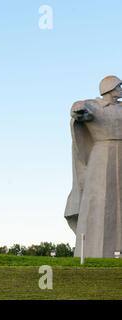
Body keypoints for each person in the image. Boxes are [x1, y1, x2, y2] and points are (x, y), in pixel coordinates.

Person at [65, 75, 122, 258]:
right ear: (109, 88)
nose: (120, 90)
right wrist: (78, 110)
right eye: (118, 86)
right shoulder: (95, 106)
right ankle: (93, 251)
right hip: (102, 157)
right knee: (99, 202)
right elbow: (79, 108)